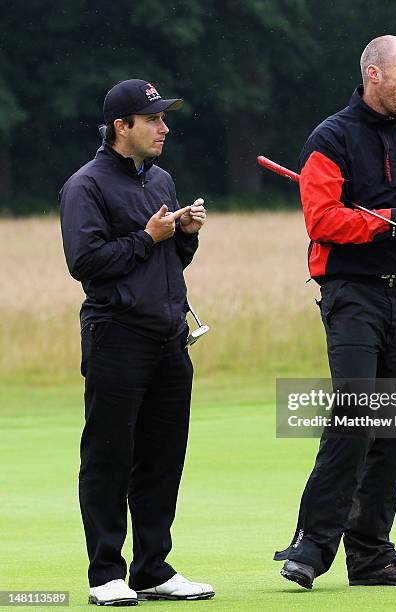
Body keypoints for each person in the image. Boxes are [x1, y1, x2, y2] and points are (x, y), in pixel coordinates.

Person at [274, 36, 396, 589]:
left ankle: (372, 556)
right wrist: (392, 217)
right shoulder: (330, 138)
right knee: (357, 415)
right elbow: (323, 221)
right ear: (374, 74)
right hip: (352, 294)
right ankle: (312, 546)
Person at [60, 79, 214, 606]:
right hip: (116, 337)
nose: (163, 127)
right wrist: (149, 237)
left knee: (162, 457)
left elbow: (169, 263)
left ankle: (153, 569)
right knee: (109, 457)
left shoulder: (161, 180)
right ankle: (106, 574)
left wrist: (183, 234)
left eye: (163, 118)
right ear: (121, 127)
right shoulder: (86, 186)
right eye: (152, 120)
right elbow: (87, 265)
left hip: (170, 339)